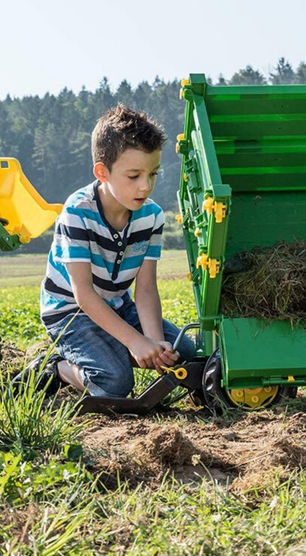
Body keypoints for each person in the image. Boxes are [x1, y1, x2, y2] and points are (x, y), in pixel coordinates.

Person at [16, 104, 196, 397]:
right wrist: (135, 343)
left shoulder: (151, 216)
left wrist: (152, 341)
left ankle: (111, 351)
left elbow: (146, 289)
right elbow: (83, 295)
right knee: (114, 383)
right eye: (134, 176)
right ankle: (56, 369)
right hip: (70, 313)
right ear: (103, 172)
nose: (145, 186)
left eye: (153, 174)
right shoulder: (77, 213)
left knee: (185, 352)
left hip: (117, 306)